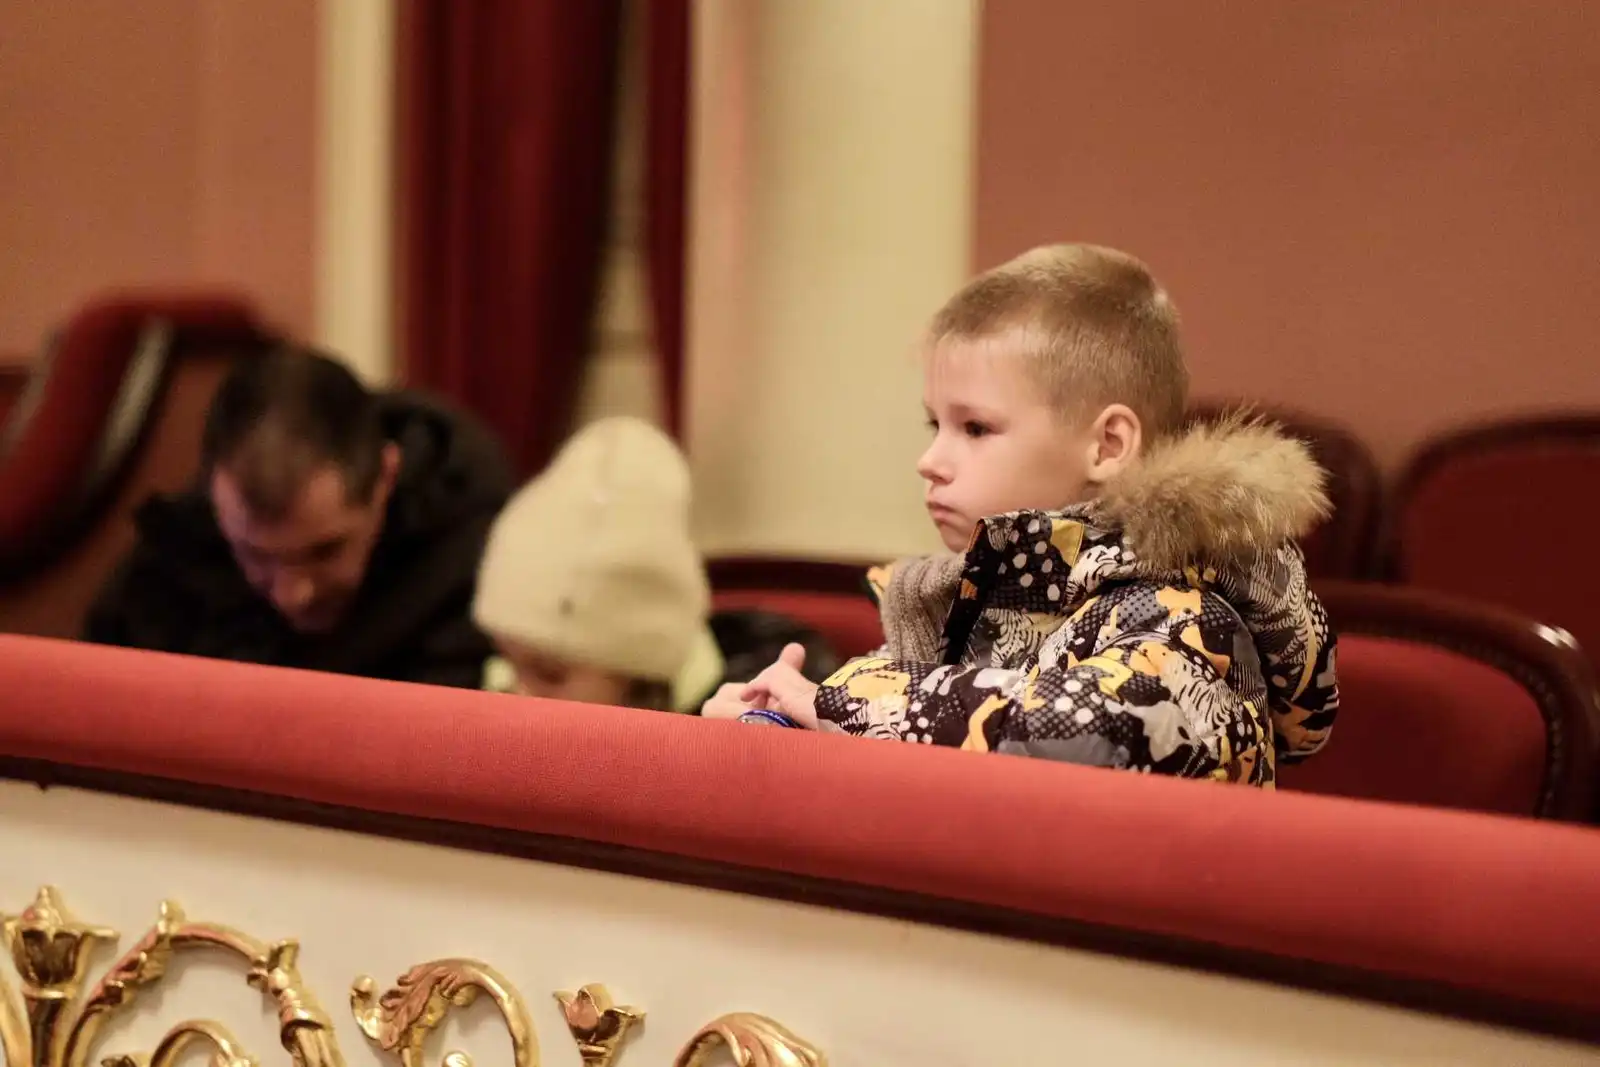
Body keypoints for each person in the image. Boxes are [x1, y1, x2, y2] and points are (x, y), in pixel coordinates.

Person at [705, 244, 1340, 786]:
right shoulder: (965, 610)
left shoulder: (1189, 613)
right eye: (934, 424)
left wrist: (834, 704)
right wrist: (772, 727)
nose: (930, 460)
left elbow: (1103, 729)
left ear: (1107, 446)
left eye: (975, 428)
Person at [83, 346, 513, 687]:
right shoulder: (175, 555)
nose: (293, 595)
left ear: (386, 477)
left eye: (326, 551)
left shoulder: (479, 555)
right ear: (213, 493)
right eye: (255, 554)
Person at [473, 416, 841, 710]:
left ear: (641, 673)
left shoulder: (758, 720)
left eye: (549, 674)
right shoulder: (497, 689)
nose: (518, 695)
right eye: (506, 663)